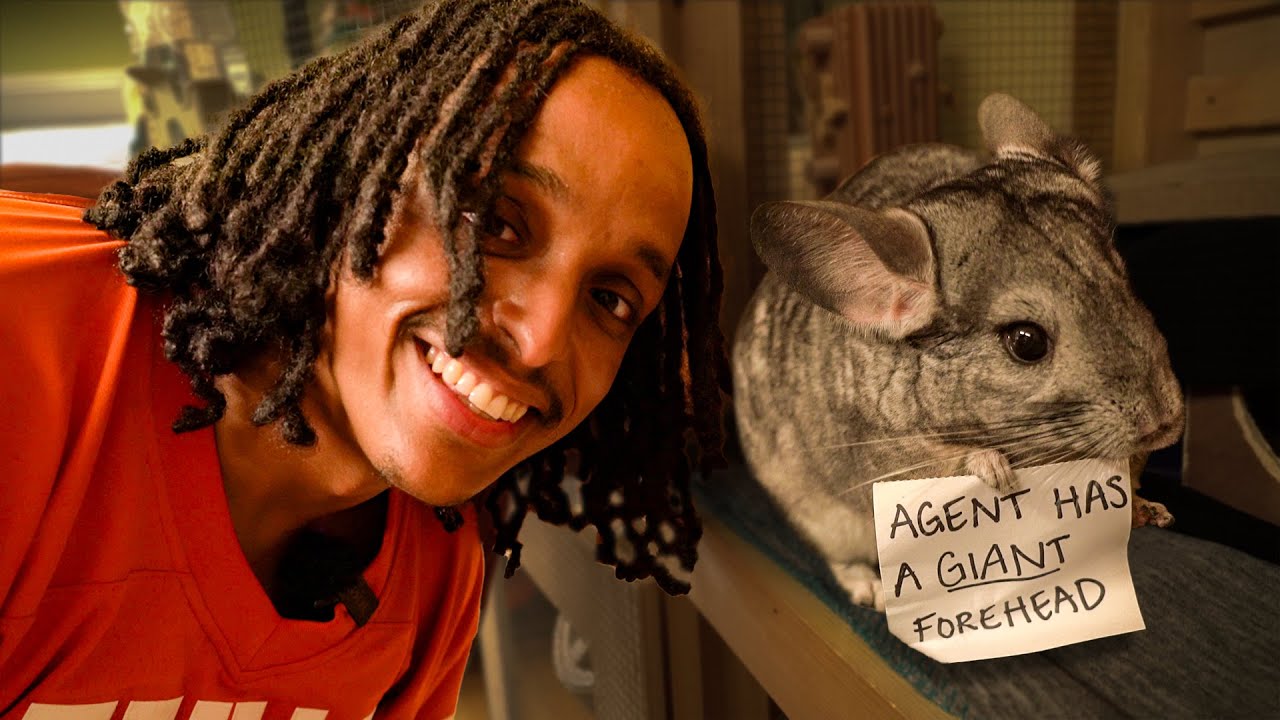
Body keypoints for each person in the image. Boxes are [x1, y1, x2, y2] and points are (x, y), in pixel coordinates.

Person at [0, 0, 729, 715]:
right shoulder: (24, 352)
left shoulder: (429, 577)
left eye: (610, 300)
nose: (541, 340)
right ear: (353, 171)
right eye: (497, 223)